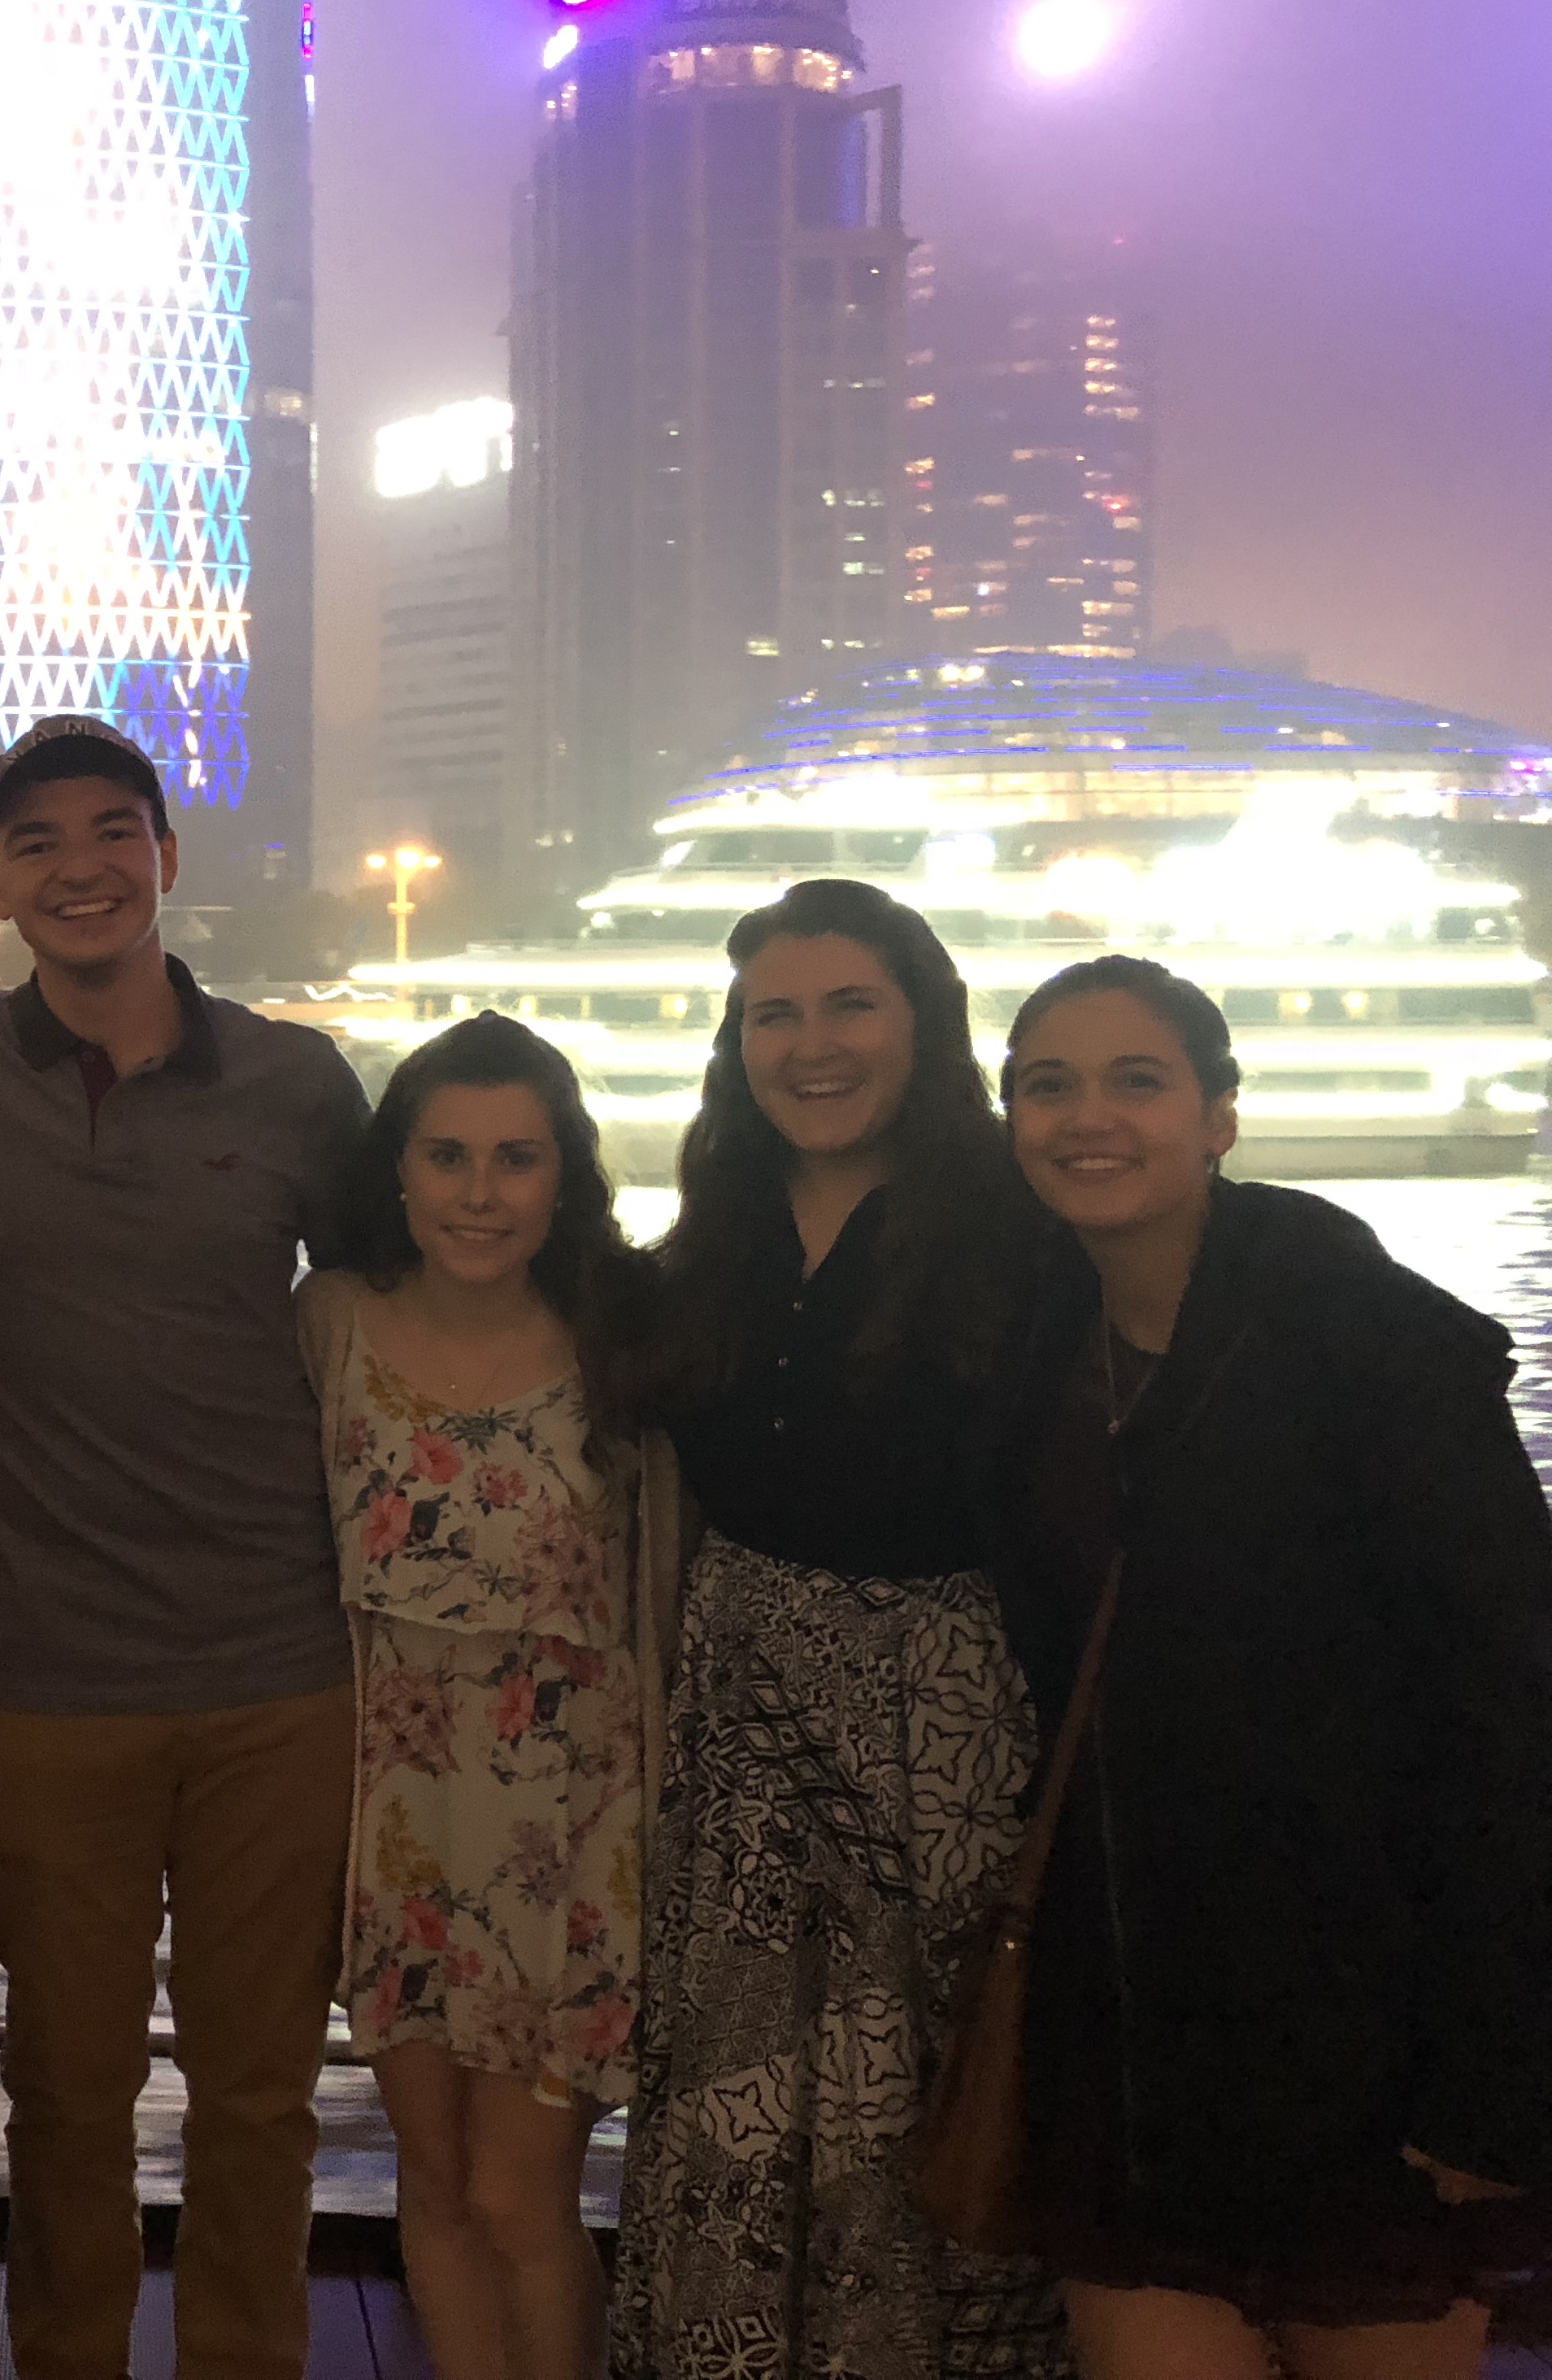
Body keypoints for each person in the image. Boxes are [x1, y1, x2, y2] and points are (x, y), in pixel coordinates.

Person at [0, 715, 371, 2380]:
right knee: (65, 2090)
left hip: (283, 1674)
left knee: (263, 2089)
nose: (80, 868)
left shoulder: (294, 1081)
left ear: (166, 856)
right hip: (49, 1680)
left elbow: (398, 1303)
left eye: (112, 831)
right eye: (39, 843)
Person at [990, 956, 1552, 2380]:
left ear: (1221, 1117)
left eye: (1137, 1080)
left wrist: (1490, 2082)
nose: (1087, 1118)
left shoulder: (1377, 1348)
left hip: (1365, 2060)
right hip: (1131, 2053)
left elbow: (1515, 1707)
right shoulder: (1039, 1350)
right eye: (1046, 1086)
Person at [606, 878, 1070, 2379]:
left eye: (848, 1005)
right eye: (773, 1015)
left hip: (948, 1746)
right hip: (738, 1741)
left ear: (925, 1025)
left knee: (938, 2104)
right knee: (736, 2094)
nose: (810, 1045)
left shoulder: (1022, 1235)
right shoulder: (716, 1242)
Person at [294, 1014, 678, 2380]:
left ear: (563, 1175)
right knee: (436, 2188)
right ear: (395, 1171)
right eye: (447, 1156)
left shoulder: (624, 1336)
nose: (477, 1190)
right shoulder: (330, 1323)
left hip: (574, 1834)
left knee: (521, 2197)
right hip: (392, 1824)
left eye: (515, 1159)